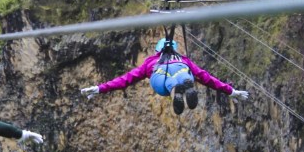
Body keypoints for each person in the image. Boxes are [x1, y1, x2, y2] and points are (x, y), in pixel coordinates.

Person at [80, 38, 250, 115]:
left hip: (159, 76)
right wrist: (230, 91)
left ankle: (174, 89)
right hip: (182, 69)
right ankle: (186, 85)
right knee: (184, 75)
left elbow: (126, 79)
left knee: (167, 81)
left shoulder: (151, 62)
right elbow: (207, 78)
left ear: (158, 50)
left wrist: (100, 88)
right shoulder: (184, 59)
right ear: (175, 49)